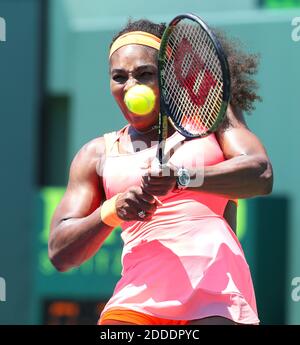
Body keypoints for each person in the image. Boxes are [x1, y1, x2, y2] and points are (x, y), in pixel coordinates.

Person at [48, 19, 273, 325]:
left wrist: (182, 178)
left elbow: (260, 173)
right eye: (119, 77)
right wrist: (113, 209)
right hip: (135, 303)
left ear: (170, 77)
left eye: (144, 74)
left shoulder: (211, 120)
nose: (131, 88)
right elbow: (60, 252)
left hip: (216, 296)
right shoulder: (95, 154)